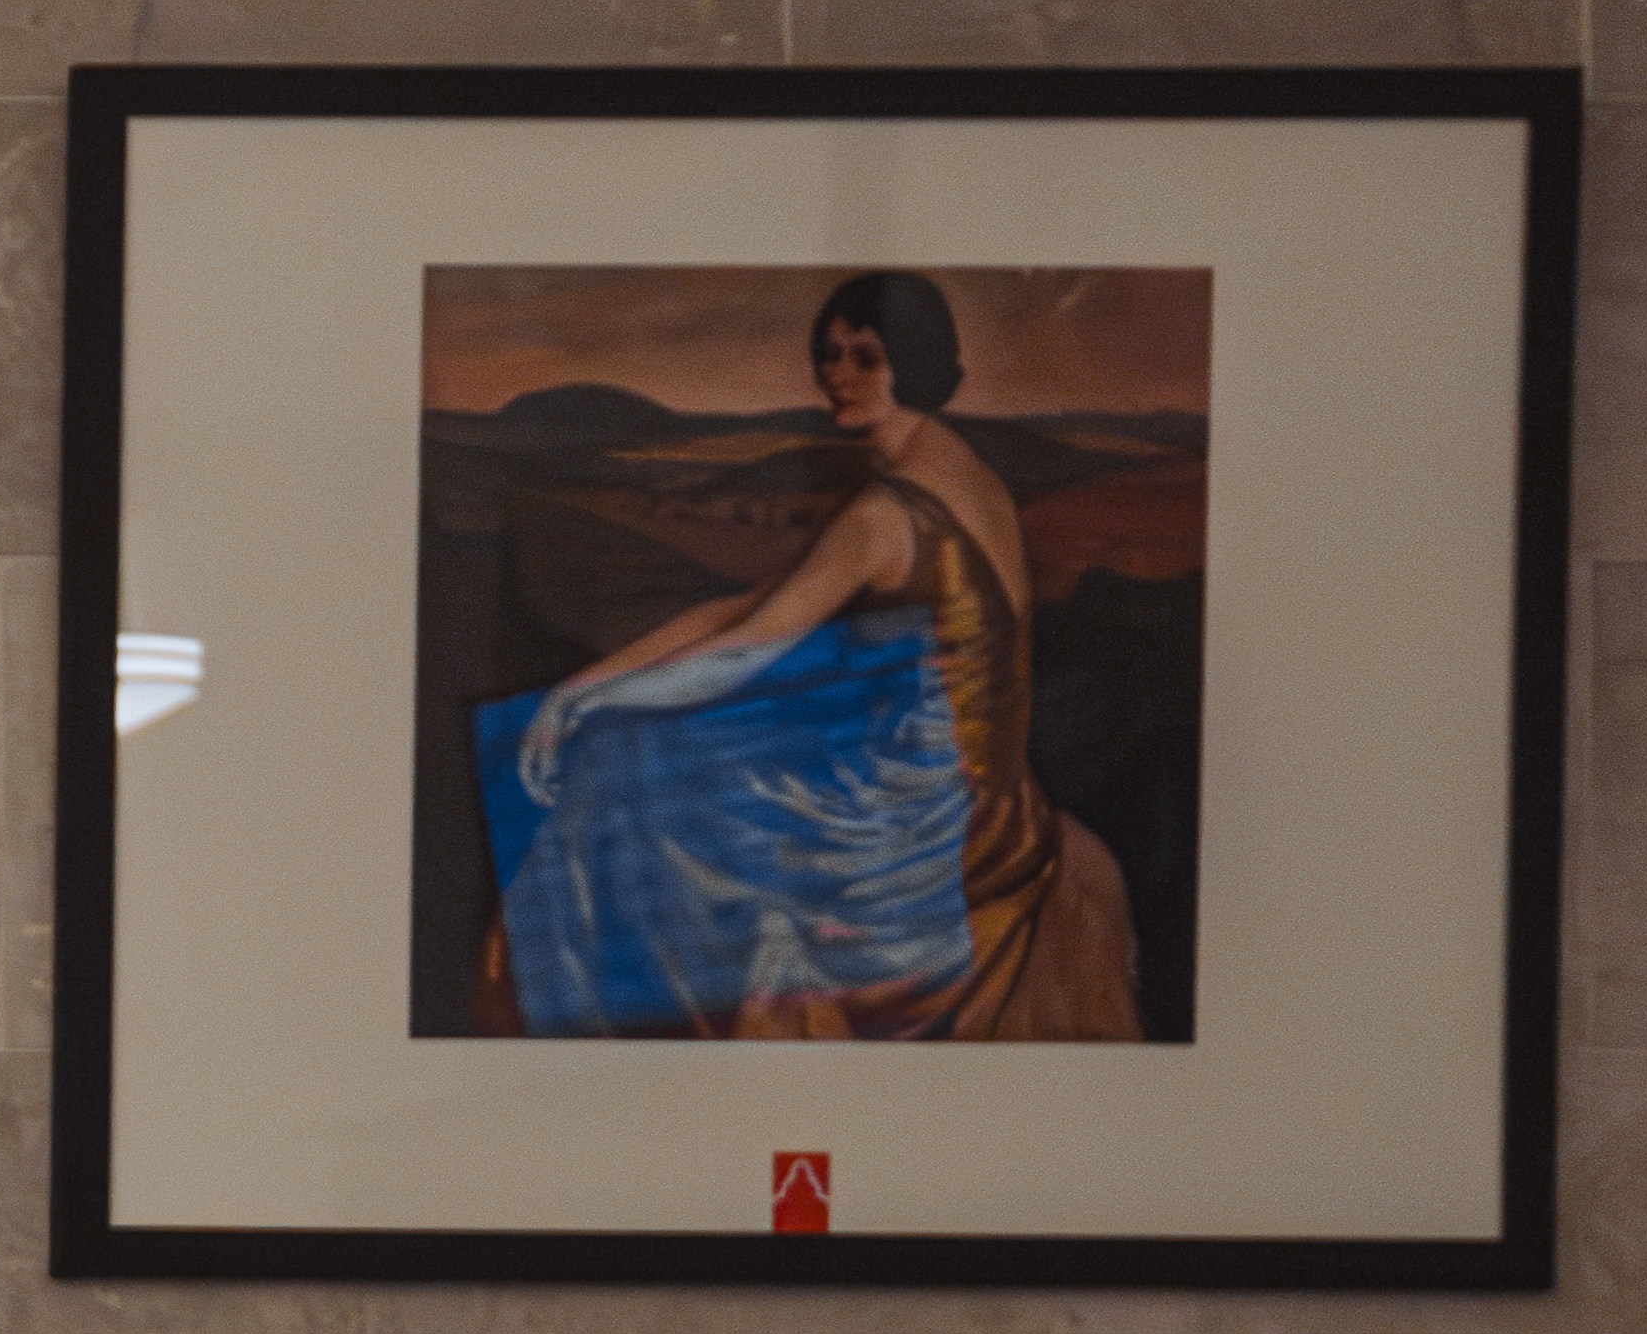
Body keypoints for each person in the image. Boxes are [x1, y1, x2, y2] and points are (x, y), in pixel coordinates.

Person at [471, 270, 1146, 1045]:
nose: (837, 373)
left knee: (625, 769)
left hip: (925, 810)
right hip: (980, 784)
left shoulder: (886, 514)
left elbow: (740, 652)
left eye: (865, 355)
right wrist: (585, 684)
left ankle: (593, 1039)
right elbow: (746, 607)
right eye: (829, 353)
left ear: (914, 359)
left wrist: (589, 708)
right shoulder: (962, 472)